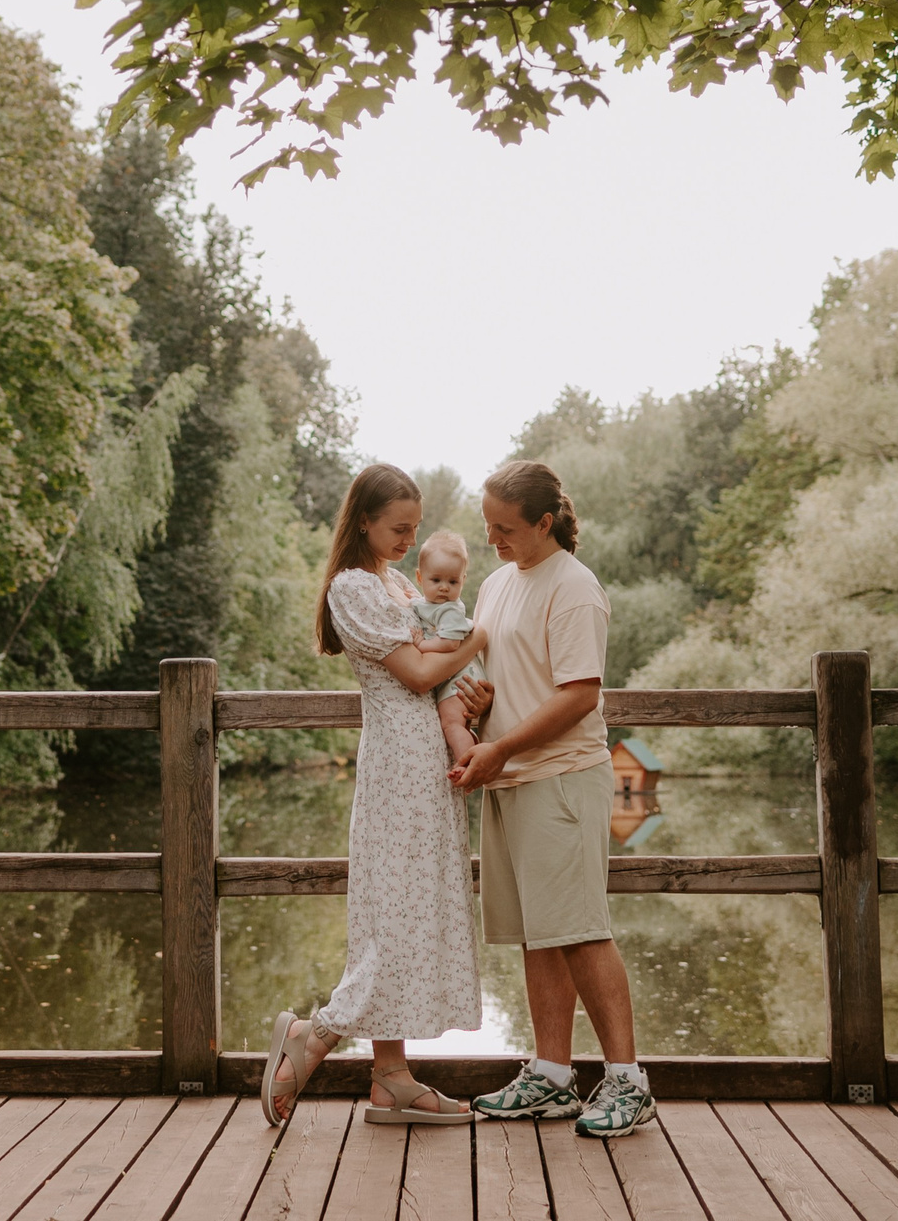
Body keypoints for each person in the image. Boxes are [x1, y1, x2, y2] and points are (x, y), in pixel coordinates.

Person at [262, 464, 489, 1128]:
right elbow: (418, 671)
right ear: (364, 519)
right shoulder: (353, 588)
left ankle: (390, 1076)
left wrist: (475, 696)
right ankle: (315, 1036)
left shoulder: (399, 583)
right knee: (391, 918)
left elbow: (442, 679)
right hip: (396, 766)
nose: (408, 540)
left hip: (428, 764)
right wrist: (477, 637)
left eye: (415, 529)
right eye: (398, 527)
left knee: (413, 909)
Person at [450, 459, 655, 1139]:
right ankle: (553, 1075)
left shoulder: (574, 585)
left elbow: (579, 693)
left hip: (561, 777)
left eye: (505, 528)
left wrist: (500, 748)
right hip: (509, 777)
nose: (492, 540)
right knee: (541, 933)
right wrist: (479, 708)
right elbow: (499, 676)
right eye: (487, 526)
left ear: (545, 521)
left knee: (580, 930)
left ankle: (628, 1082)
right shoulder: (497, 584)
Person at [414, 530, 484, 767]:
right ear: (420, 578)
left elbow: (450, 643)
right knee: (455, 724)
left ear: (463, 580)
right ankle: (469, 744)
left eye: (453, 582)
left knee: (451, 723)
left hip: (462, 678)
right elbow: (417, 606)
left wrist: (423, 645)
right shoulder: (427, 604)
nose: (444, 588)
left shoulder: (451, 610)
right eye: (436, 581)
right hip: (452, 677)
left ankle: (466, 764)